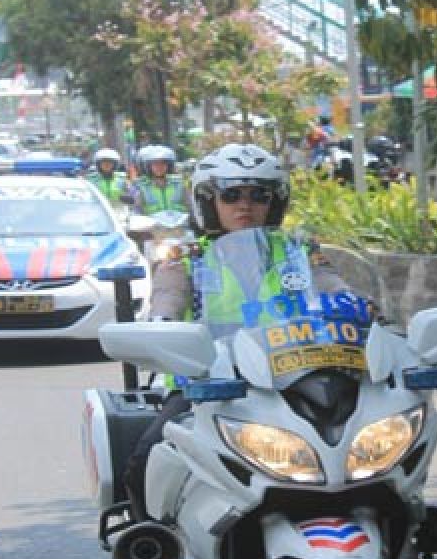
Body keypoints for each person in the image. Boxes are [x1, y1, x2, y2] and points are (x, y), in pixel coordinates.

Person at [122, 143, 369, 523]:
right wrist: (161, 329)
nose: (245, 205)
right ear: (209, 201)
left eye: (259, 195)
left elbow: (334, 287)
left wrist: (376, 319)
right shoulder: (186, 259)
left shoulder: (299, 251)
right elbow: (166, 303)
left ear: (275, 202)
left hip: (296, 375)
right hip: (208, 386)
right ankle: (154, 550)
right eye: (231, 195)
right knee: (146, 456)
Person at [127, 144, 187, 214]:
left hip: (180, 223)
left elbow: (190, 205)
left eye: (163, 163)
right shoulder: (139, 185)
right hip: (151, 224)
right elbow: (136, 209)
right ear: (148, 166)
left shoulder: (179, 183)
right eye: (155, 164)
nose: (159, 167)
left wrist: (195, 221)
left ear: (169, 165)